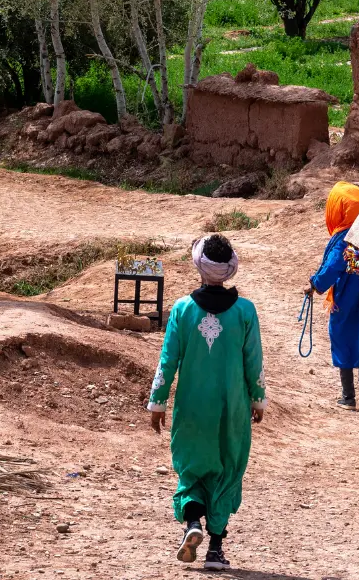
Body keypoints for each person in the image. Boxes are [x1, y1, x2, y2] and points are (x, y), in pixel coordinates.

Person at [148, 233, 266, 571]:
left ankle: (193, 525)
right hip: (233, 410)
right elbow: (253, 361)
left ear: (200, 268)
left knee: (191, 468)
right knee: (227, 471)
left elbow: (167, 360)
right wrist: (258, 400)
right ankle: (215, 549)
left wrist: (157, 403)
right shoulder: (245, 311)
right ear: (230, 270)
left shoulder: (183, 309)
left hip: (192, 408)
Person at [306, 181, 359, 409]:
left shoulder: (345, 238)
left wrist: (315, 285)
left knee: (341, 338)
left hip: (345, 296)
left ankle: (348, 397)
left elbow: (333, 267)